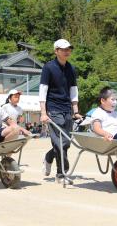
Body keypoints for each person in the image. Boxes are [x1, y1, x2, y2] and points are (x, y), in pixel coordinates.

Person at [39, 39, 83, 185]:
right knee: (59, 142)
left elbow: (73, 90)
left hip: (66, 109)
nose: (67, 51)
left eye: (69, 49)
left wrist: (75, 111)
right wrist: (43, 113)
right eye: (64, 49)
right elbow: (43, 90)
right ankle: (61, 173)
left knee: (66, 143)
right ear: (56, 51)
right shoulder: (48, 67)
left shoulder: (71, 68)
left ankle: (48, 157)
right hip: (53, 109)